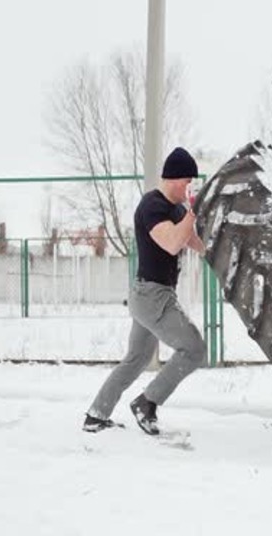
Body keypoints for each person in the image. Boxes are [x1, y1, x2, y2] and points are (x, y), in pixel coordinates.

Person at [83, 147, 207, 435]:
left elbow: (189, 240)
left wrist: (211, 250)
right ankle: (147, 402)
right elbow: (172, 243)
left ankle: (96, 414)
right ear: (174, 178)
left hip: (151, 296)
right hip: (153, 296)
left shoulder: (175, 210)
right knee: (194, 349)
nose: (188, 187)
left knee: (136, 359)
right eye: (187, 181)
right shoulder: (152, 206)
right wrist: (194, 212)